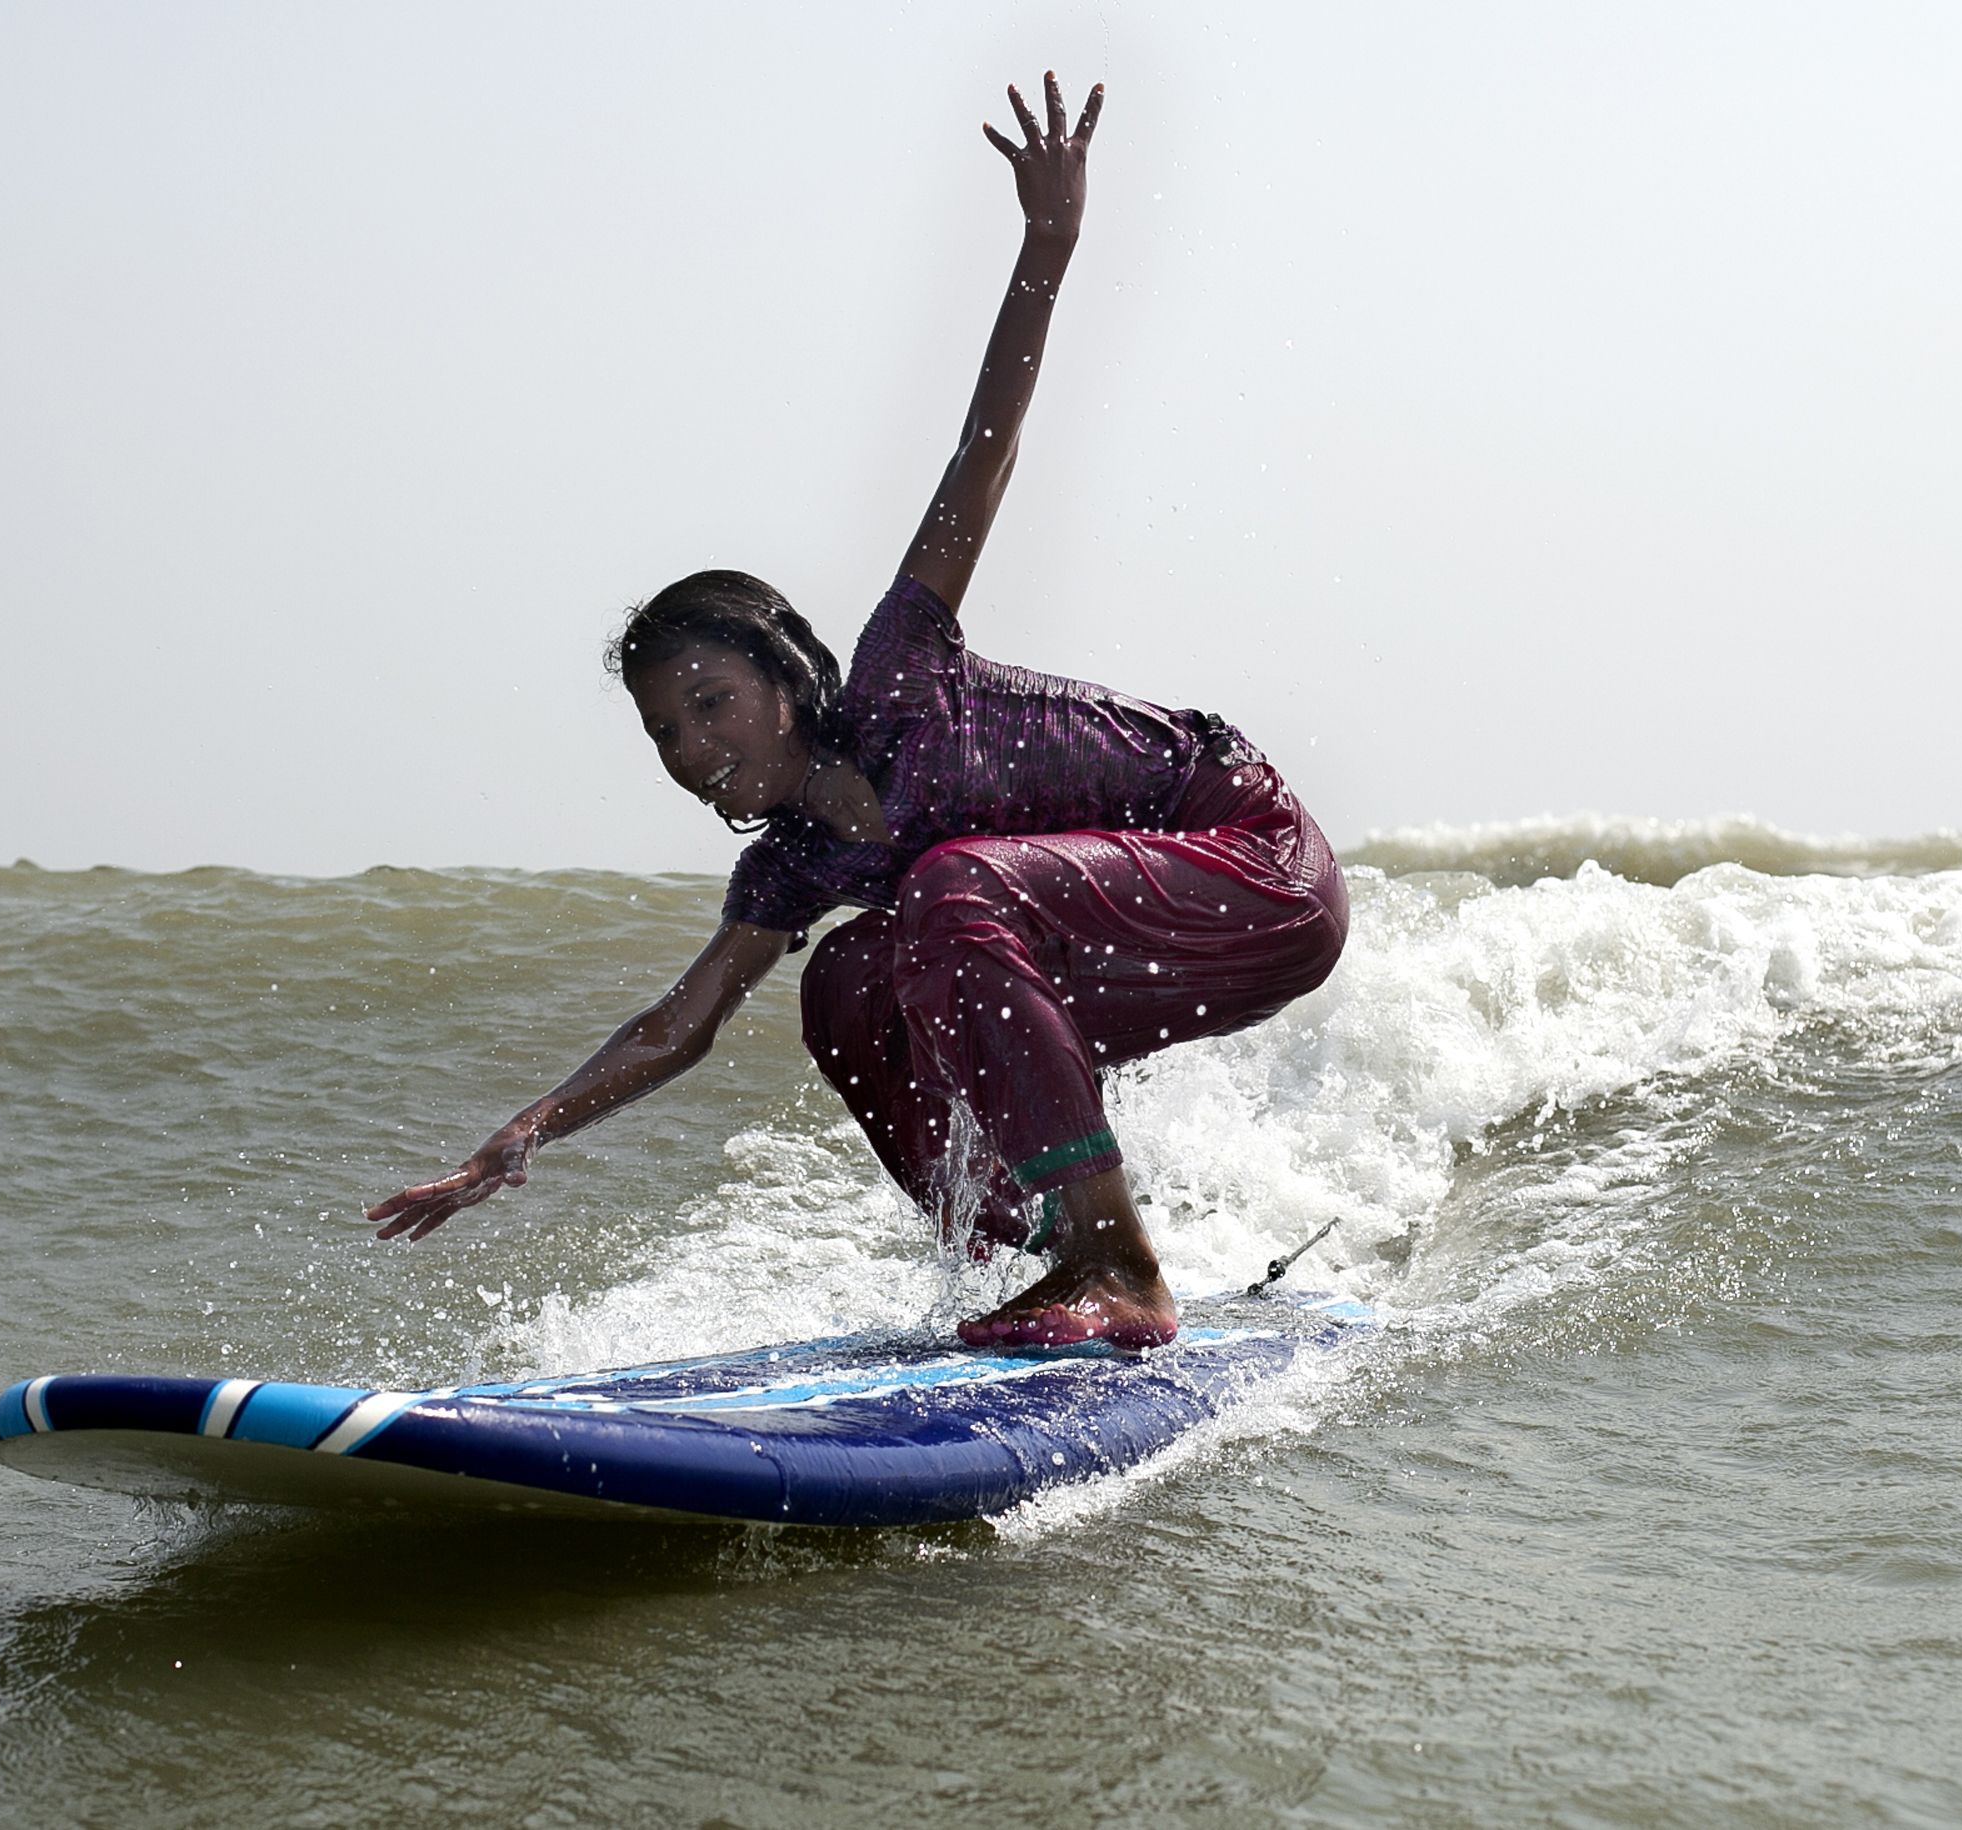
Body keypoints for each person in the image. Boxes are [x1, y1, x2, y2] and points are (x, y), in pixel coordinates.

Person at [366, 73, 1349, 1349]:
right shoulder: (795, 862)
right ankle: (1055, 1253)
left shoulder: (902, 668)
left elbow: (980, 451)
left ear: (787, 679)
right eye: (666, 734)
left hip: (1251, 873)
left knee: (947, 891)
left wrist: (1046, 241)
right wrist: (516, 1137)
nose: (692, 749)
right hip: (1119, 940)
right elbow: (681, 1022)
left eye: (712, 704)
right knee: (842, 978)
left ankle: (1118, 1271)